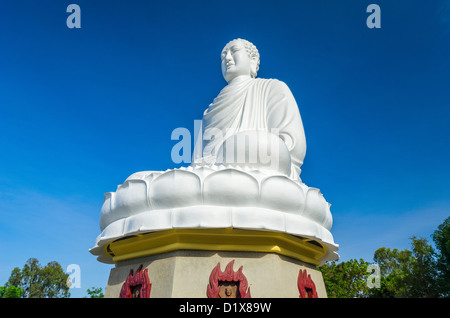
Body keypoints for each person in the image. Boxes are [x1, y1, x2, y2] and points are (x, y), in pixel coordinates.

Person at [194, 38, 307, 180]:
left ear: (252, 60)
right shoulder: (208, 112)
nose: (227, 58)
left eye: (234, 51)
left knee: (249, 144)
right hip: (211, 174)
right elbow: (196, 162)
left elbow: (293, 145)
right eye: (223, 57)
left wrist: (243, 148)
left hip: (259, 166)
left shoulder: (272, 87)